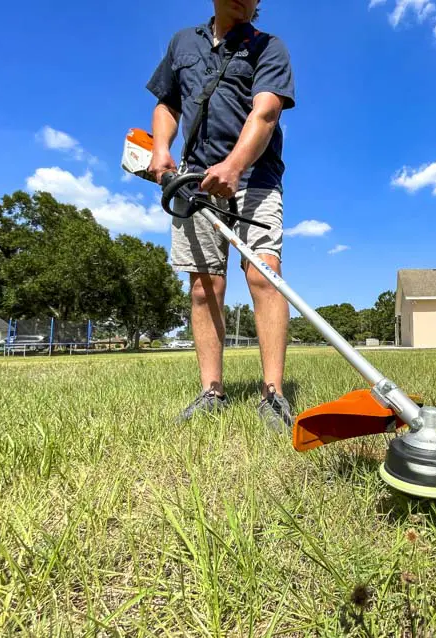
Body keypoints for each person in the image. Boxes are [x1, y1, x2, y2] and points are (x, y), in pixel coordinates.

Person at [145, 0, 295, 432]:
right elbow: (167, 104)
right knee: (203, 284)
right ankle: (212, 391)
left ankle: (273, 394)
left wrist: (233, 165)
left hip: (254, 177)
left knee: (264, 276)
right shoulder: (182, 43)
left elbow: (265, 112)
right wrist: (160, 149)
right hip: (193, 181)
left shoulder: (269, 47)